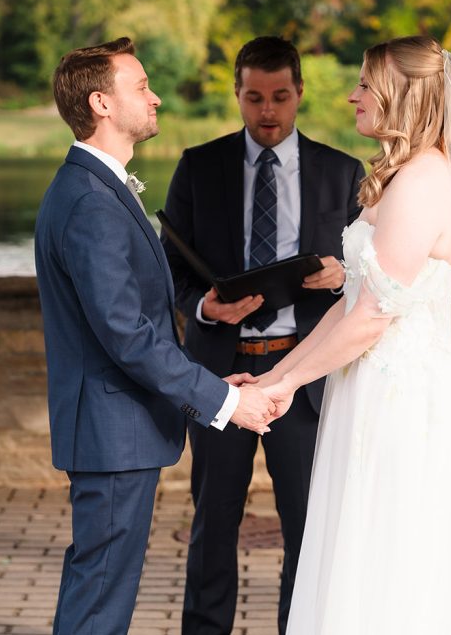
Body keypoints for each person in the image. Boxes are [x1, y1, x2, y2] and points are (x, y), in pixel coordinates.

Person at [259, 36, 451, 633]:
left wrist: (289, 384)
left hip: (408, 405)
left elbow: (373, 317)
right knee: (363, 553)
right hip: (373, 389)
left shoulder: (425, 180)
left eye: (365, 85)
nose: (353, 96)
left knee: (399, 563)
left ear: (402, 94)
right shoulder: (405, 176)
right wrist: (278, 376)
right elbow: (352, 303)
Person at [34, 37, 275, 635]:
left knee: (100, 587)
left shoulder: (98, 188)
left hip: (114, 430)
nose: (156, 97)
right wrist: (225, 402)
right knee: (100, 598)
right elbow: (125, 335)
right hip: (111, 434)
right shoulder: (90, 200)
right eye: (140, 87)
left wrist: (211, 379)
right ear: (102, 104)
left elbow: (132, 321)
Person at [160, 36, 364, 635]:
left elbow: (370, 275)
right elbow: (170, 268)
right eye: (253, 98)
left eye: (279, 97)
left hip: (302, 380)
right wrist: (201, 309)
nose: (267, 111)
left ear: (299, 93)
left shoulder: (341, 172)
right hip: (220, 376)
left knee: (307, 524)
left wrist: (342, 276)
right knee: (212, 521)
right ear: (237, 95)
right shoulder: (200, 166)